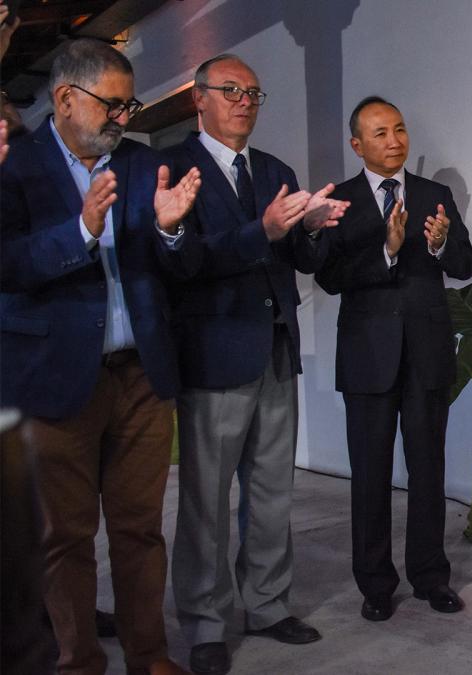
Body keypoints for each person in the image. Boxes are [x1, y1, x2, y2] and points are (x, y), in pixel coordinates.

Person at [0, 38, 201, 674]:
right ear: (65, 98)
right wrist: (82, 232)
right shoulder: (15, 167)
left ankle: (150, 656)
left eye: (128, 105)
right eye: (111, 105)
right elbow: (9, 264)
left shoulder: (144, 166)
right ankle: (78, 662)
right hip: (56, 379)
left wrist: (170, 230)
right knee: (65, 538)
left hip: (140, 376)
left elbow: (176, 265)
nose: (123, 118)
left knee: (141, 529)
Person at [166, 54, 347, 675]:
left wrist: (315, 227)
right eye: (231, 90)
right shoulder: (173, 168)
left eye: (253, 92)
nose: (244, 101)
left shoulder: (274, 169)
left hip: (275, 347)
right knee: (207, 502)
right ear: (200, 98)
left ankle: (267, 605)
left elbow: (299, 256)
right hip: (214, 354)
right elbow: (183, 262)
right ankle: (205, 623)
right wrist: (263, 232)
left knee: (271, 493)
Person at [314, 96, 472, 621]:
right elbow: (330, 278)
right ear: (357, 144)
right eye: (380, 133)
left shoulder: (435, 195)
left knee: (428, 469)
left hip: (426, 354)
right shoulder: (339, 201)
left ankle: (431, 576)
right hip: (367, 357)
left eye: (400, 129)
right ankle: (376, 584)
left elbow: (466, 265)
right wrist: (384, 250)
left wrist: (440, 243)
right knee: (370, 473)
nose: (394, 141)